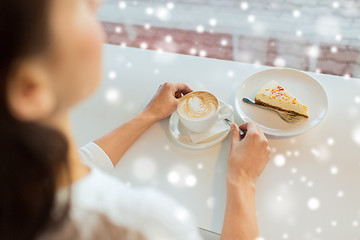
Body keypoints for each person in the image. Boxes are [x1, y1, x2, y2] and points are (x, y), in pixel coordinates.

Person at [0, 0, 271, 239]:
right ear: (29, 90)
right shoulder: (141, 226)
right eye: (80, 7)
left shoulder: (25, 186)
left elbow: (78, 169)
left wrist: (149, 115)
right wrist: (242, 179)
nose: (97, 2)